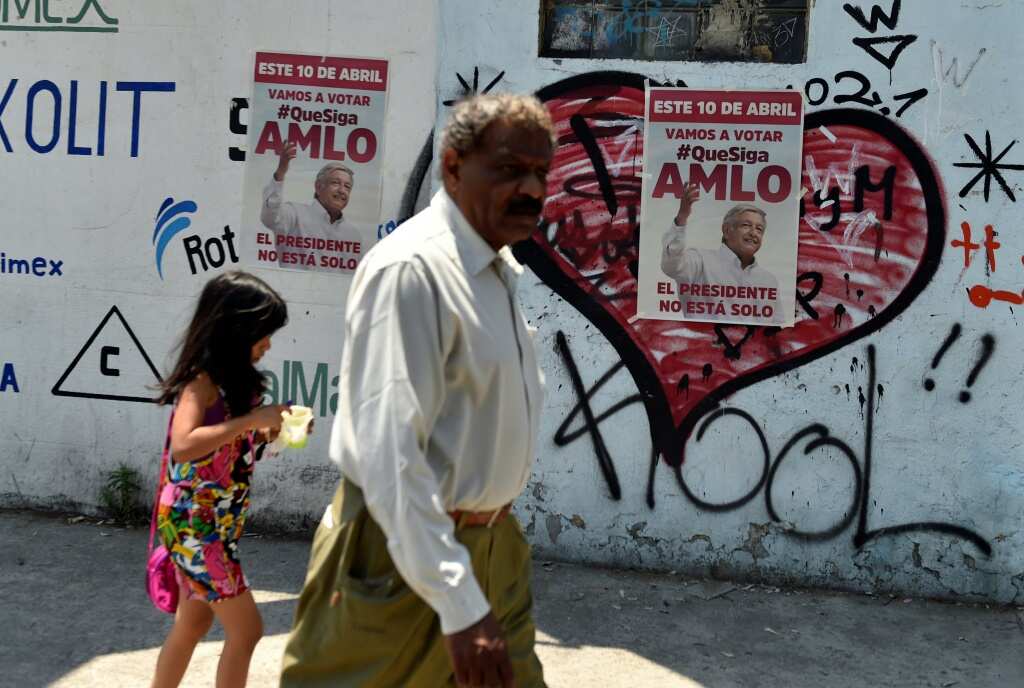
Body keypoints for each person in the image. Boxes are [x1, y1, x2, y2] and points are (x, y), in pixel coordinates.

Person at [280, 93, 555, 688]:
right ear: (453, 167)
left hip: (492, 549)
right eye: (509, 170)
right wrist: (459, 606)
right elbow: (389, 457)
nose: (532, 189)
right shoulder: (412, 270)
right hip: (398, 557)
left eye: (541, 172)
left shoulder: (493, 274)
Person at [150, 270, 299, 688]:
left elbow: (229, 449)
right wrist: (251, 420)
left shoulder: (238, 383)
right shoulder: (201, 382)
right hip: (195, 526)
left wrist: (269, 431)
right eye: (262, 334)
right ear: (234, 331)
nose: (268, 343)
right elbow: (184, 444)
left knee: (192, 624)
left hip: (213, 525)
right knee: (247, 631)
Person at [660, 182, 783, 323]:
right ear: (726, 230)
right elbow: (671, 266)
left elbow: (778, 328)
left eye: (759, 229)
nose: (753, 233)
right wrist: (681, 219)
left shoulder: (768, 280)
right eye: (746, 225)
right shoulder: (700, 261)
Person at [260, 143, 366, 271]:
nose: (342, 190)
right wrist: (280, 173)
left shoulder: (353, 234)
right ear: (318, 186)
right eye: (335, 183)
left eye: (347, 187)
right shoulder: (295, 214)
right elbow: (270, 218)